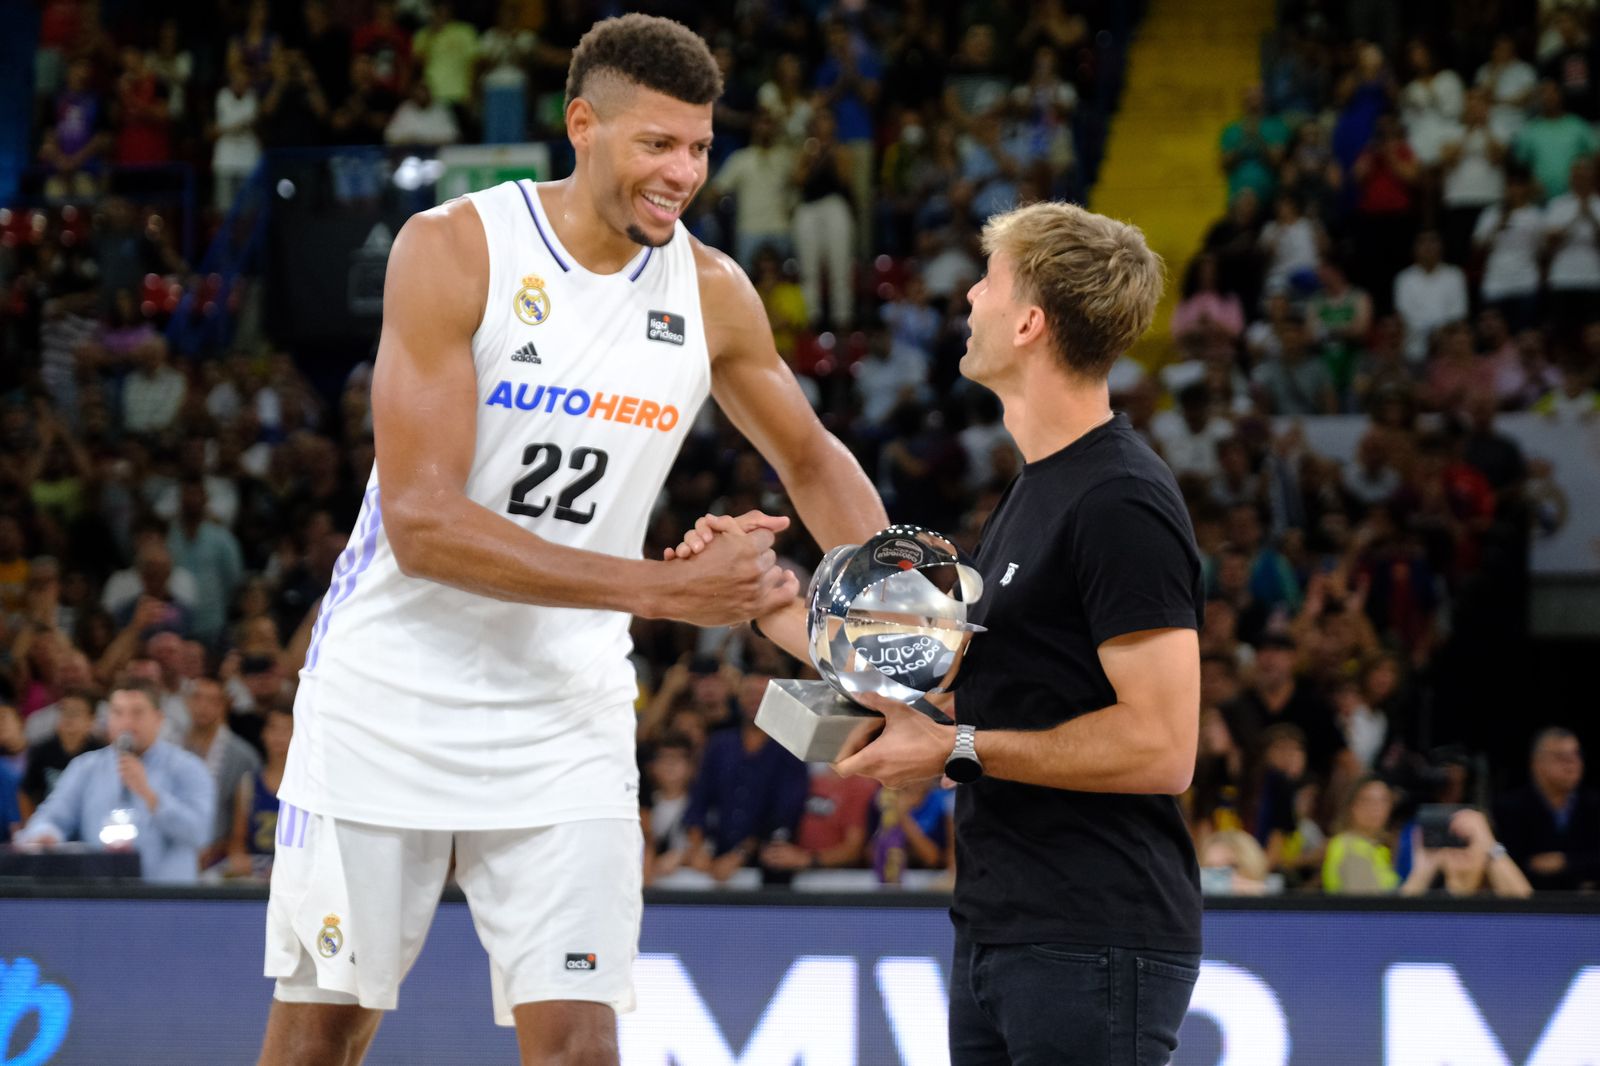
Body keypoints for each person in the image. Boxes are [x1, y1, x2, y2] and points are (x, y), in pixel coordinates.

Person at [257, 14, 886, 1066]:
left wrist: (892, 632)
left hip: (564, 716)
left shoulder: (711, 291)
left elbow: (813, 460)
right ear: (580, 124)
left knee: (582, 1046)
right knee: (322, 1037)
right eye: (656, 144)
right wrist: (661, 590)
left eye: (698, 146)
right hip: (386, 700)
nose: (682, 172)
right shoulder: (454, 247)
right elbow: (421, 523)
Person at [833, 201, 1205, 1065]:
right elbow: (1013, 697)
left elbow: (1161, 745)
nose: (969, 295)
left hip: (1092, 935)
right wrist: (765, 596)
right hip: (1008, 928)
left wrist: (956, 747)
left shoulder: (1120, 499)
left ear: (1031, 322)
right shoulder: (1041, 486)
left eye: (990, 281)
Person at [12, 681, 213, 883]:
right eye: (118, 713)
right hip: (100, 899)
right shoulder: (86, 768)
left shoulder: (188, 768)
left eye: (137, 713)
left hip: (167, 899)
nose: (126, 722)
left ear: (158, 719)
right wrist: (46, 835)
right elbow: (50, 817)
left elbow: (199, 833)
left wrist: (150, 795)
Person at [1495, 727, 1600, 892]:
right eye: (1561, 757)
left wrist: (1566, 862)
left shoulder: (1593, 805)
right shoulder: (1510, 808)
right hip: (1528, 906)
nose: (1572, 764)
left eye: (1576, 755)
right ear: (1537, 763)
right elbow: (1506, 862)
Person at [1399, 807, 1533, 898]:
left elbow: (1533, 916)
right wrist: (1422, 872)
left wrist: (1492, 848)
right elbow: (1391, 928)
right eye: (1453, 839)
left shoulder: (1499, 902)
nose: (1459, 850)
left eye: (1467, 840)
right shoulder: (1427, 901)